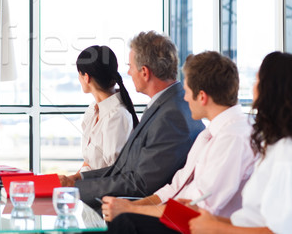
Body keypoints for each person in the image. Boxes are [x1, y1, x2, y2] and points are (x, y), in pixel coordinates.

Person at [102, 51, 256, 233]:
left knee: (126, 221)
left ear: (202, 97)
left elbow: (196, 210)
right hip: (180, 213)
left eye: (187, 91)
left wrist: (131, 209)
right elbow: (174, 188)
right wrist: (129, 204)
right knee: (118, 216)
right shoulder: (211, 134)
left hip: (198, 225)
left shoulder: (233, 139)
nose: (185, 98)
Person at [60, 31, 205, 208]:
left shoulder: (171, 116)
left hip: (142, 211)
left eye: (130, 66)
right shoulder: (167, 105)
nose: (128, 72)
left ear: (144, 72)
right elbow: (126, 168)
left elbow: (141, 183)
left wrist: (77, 189)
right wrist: (79, 178)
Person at [188, 51, 292, 234]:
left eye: (257, 81)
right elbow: (249, 222)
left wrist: (216, 228)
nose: (253, 88)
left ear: (270, 90)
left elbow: (277, 232)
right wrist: (211, 221)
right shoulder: (273, 145)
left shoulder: (286, 154)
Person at [67, 45, 139, 179]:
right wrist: (71, 179)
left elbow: (117, 174)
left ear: (86, 77)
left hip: (106, 194)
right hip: (90, 187)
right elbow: (89, 163)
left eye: (79, 73)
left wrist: (76, 181)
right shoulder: (93, 111)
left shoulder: (118, 116)